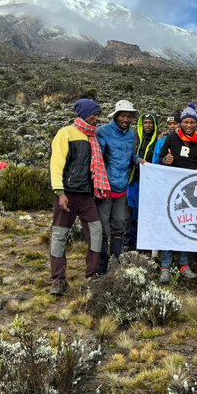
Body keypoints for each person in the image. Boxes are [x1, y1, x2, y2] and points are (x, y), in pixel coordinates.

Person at [48, 99, 107, 295]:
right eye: (94, 114)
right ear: (83, 114)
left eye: (98, 114)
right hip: (67, 194)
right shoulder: (66, 133)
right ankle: (58, 279)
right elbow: (56, 164)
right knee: (59, 234)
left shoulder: (93, 137)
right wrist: (60, 192)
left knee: (96, 232)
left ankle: (92, 275)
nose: (96, 118)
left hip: (87, 195)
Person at [157, 103, 197, 284]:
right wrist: (167, 160)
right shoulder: (171, 139)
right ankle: (165, 267)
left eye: (192, 122)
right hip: (172, 190)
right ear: (181, 123)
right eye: (186, 122)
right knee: (169, 225)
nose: (189, 125)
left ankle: (184, 264)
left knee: (187, 226)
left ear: (196, 124)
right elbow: (160, 159)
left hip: (191, 191)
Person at [96, 99, 139, 274]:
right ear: (116, 116)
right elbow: (98, 160)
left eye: (129, 116)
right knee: (102, 228)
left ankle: (115, 261)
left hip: (122, 188)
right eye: (123, 115)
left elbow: (130, 157)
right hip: (105, 189)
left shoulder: (131, 134)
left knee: (119, 225)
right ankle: (100, 266)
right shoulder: (103, 132)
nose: (126, 119)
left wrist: (137, 160)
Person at [125, 113, 158, 250]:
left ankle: (144, 243)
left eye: (150, 123)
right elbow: (129, 154)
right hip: (133, 181)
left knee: (145, 213)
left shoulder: (159, 140)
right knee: (129, 213)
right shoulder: (134, 137)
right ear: (141, 124)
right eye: (145, 122)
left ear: (155, 125)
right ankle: (128, 242)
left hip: (149, 184)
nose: (148, 125)